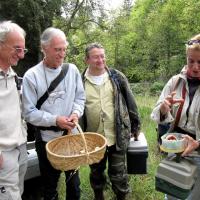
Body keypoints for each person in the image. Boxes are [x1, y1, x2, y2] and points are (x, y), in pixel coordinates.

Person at [22, 27, 85, 200]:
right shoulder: (31, 76)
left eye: (64, 49)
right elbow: (28, 113)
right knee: (50, 186)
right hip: (46, 141)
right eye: (57, 49)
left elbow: (80, 98)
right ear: (44, 48)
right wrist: (55, 120)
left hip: (70, 138)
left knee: (74, 184)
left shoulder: (72, 70)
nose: (62, 54)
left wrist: (75, 113)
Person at [81, 43, 141, 200]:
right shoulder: (80, 81)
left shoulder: (116, 77)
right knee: (96, 172)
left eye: (102, 56)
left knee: (119, 173)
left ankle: (121, 196)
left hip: (118, 134)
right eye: (96, 57)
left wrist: (136, 125)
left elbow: (130, 101)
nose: (100, 60)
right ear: (87, 60)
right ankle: (98, 196)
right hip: (93, 138)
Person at [151, 33, 200, 199]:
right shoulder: (175, 81)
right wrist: (165, 108)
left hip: (198, 154)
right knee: (173, 193)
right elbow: (157, 113)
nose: (194, 67)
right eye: (191, 61)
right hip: (176, 150)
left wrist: (198, 143)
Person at [0, 21, 28, 200]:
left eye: (23, 50)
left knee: (18, 193)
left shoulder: (13, 76)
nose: (21, 55)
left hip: (20, 148)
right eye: (17, 49)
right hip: (3, 154)